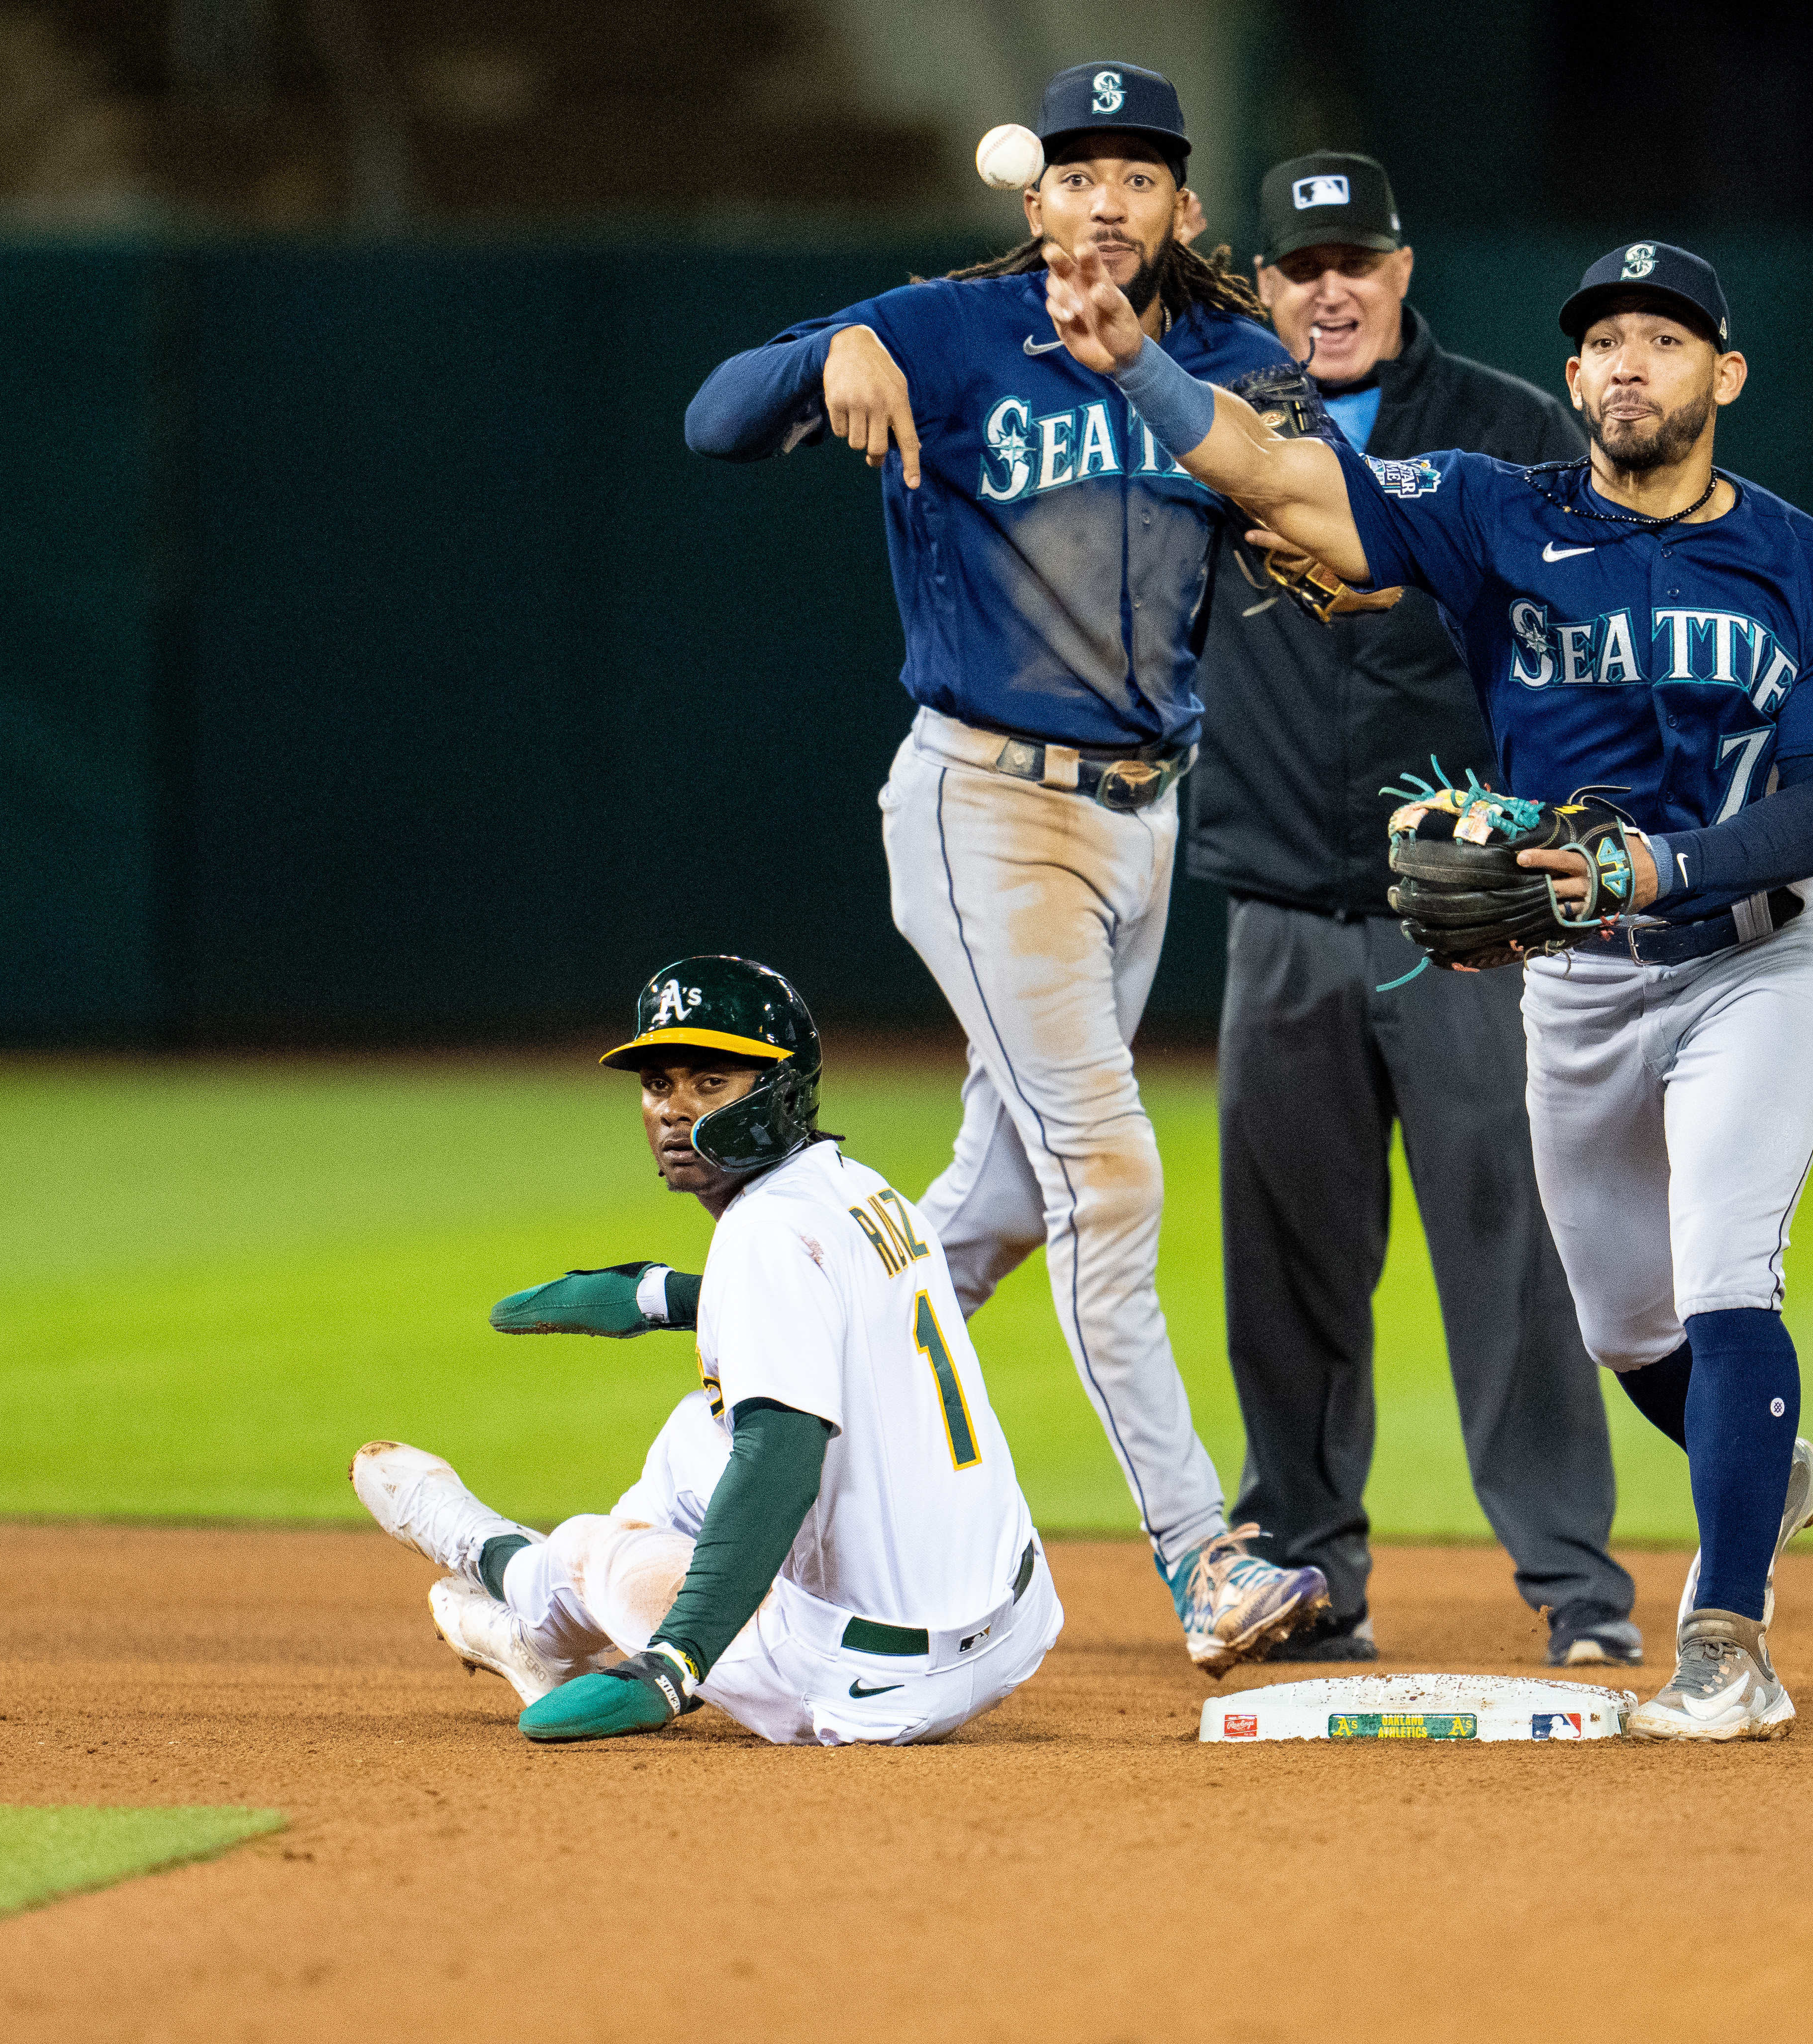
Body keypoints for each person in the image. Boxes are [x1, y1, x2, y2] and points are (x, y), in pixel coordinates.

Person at [492, 61, 1332, 1682]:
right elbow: (713, 416)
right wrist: (836, 346)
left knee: (1008, 1207)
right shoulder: (945, 333)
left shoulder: (1228, 363)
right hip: (983, 809)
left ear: (1182, 206)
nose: (1102, 196)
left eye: (1136, 173)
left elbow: (1309, 525)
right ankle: (1202, 1559)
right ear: (1035, 202)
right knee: (1111, 1177)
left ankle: (672, 1478)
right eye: (1075, 170)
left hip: (1142, 822)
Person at [1038, 234, 1813, 1741]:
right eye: (1605, 341)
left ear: (1723, 375)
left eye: (1665, 339)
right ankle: (1762, 1461)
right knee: (1627, 1330)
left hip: (1754, 956)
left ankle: (1728, 1641)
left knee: (1722, 1267)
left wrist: (1653, 871)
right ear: (1573, 381)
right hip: (1573, 980)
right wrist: (1136, 363)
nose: (1630, 362)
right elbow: (1282, 482)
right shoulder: (1499, 510)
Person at [1187, 152, 1639, 1667]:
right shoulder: (1211, 427)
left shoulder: (1507, 429)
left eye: (1356, 261)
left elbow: (1592, 649)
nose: (1331, 287)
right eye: (1303, 264)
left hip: (1469, 929)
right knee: (1288, 1269)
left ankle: (1575, 1586)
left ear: (1401, 269)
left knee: (1512, 1254)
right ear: (1263, 283)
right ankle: (1311, 1571)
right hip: (1277, 909)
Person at [355, 956, 1059, 1747]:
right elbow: (818, 1303)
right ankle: (551, 1626)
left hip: (864, 1687)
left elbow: (780, 1460)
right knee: (698, 1430)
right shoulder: (865, 1191)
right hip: (1010, 1626)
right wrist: (656, 1294)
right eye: (659, 1084)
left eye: (709, 1081)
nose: (674, 1109)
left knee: (606, 1547)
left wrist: (674, 1664)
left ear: (781, 1089)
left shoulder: (762, 1234)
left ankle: (506, 1572)